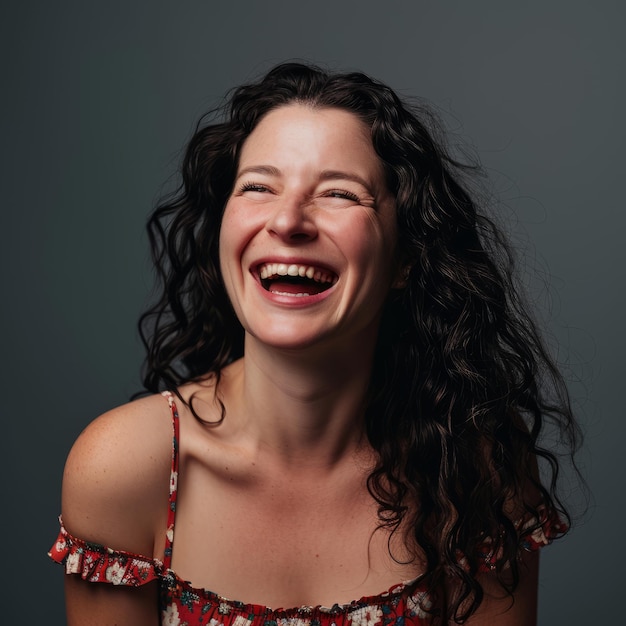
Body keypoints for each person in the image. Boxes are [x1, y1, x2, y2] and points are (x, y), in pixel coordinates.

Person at [49, 62, 580, 625]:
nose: (288, 220)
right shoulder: (125, 471)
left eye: (338, 193)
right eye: (258, 186)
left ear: (405, 258)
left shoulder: (476, 467)